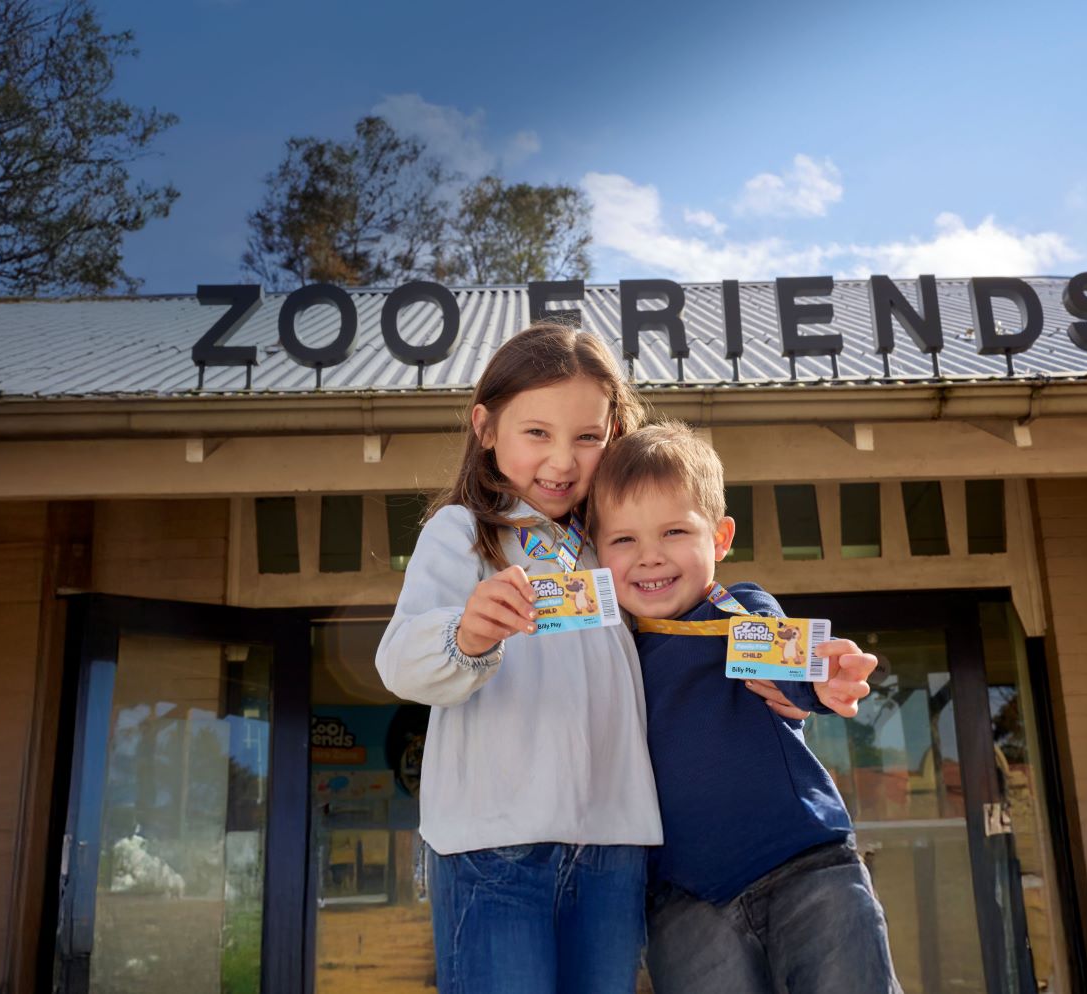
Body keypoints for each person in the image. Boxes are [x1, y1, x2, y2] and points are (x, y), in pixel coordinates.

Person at [375, 323, 662, 994]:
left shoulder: (614, 546)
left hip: (614, 846)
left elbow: (689, 621)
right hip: (492, 847)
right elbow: (398, 660)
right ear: (485, 428)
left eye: (587, 437)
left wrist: (787, 662)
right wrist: (466, 634)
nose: (562, 461)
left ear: (615, 434)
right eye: (537, 433)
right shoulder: (462, 533)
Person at [590, 421, 902, 994]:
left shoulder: (740, 613)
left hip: (806, 866)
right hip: (684, 904)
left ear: (720, 538)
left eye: (674, 531)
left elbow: (792, 671)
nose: (650, 557)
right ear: (595, 551)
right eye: (624, 540)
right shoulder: (608, 651)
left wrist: (825, 679)